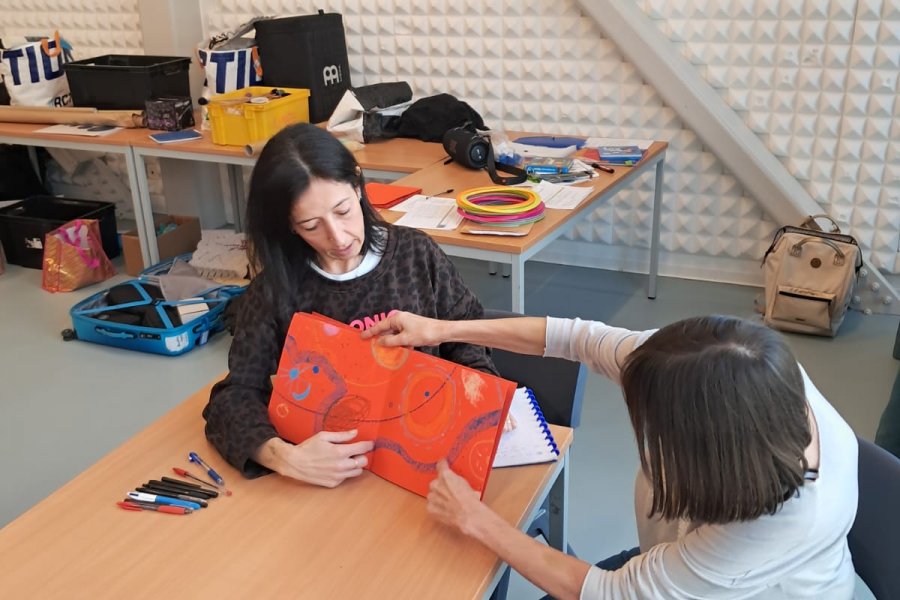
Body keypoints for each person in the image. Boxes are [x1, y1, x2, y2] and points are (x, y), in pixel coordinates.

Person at [363, 312, 859, 599]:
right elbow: (572, 338)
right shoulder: (717, 376)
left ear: (701, 450)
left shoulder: (763, 534)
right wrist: (440, 329)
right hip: (674, 558)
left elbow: (605, 593)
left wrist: (478, 520)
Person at [203, 123, 498, 488]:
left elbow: (465, 329)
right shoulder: (275, 291)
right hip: (333, 476)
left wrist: (483, 398)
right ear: (289, 226)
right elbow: (234, 396)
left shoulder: (414, 254)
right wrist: (284, 457)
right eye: (311, 225)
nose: (338, 238)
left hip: (426, 461)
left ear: (358, 184)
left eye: (343, 210)